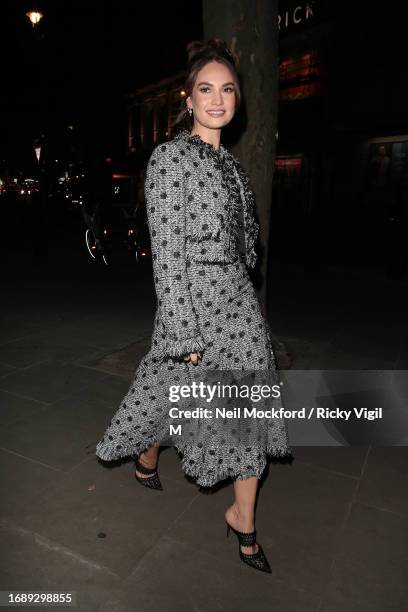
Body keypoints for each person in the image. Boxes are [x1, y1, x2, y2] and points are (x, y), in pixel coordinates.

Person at [95, 38, 292, 574]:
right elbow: (167, 251)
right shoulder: (170, 158)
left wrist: (245, 279)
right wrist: (183, 332)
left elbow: (246, 239)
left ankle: (243, 519)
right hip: (194, 302)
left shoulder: (230, 164)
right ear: (188, 98)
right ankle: (149, 451)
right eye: (206, 89)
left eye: (228, 89)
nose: (217, 99)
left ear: (237, 100)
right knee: (176, 394)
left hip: (238, 302)